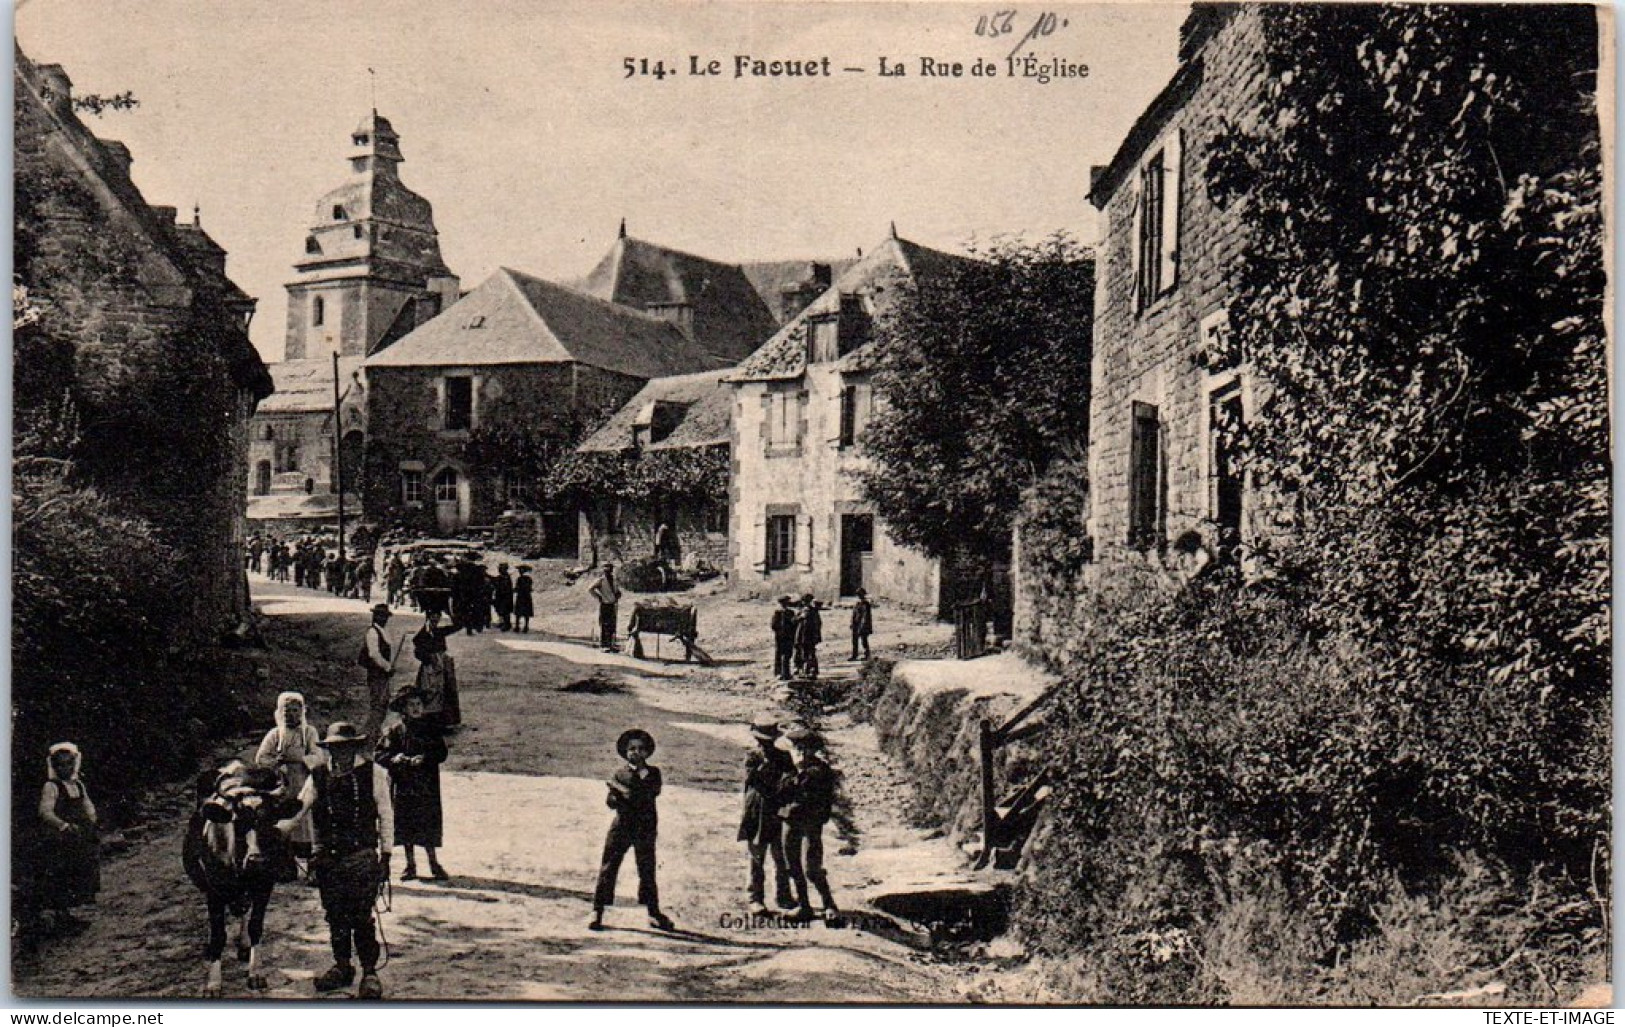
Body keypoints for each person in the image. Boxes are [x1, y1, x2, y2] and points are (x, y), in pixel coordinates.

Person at [279, 722, 392, 1000]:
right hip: (328, 860)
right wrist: (279, 831)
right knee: (336, 916)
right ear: (328, 750)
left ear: (354, 747)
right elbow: (300, 809)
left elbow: (386, 814)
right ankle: (342, 966)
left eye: (345, 748)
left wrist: (386, 854)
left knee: (362, 916)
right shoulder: (317, 776)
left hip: (361, 856)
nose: (340, 754)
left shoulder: (374, 774)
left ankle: (369, 972)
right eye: (334, 749)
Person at [589, 728, 673, 931]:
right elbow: (610, 802)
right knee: (609, 866)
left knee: (646, 869)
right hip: (622, 827)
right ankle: (597, 910)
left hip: (644, 827)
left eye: (641, 749)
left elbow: (651, 792)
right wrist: (614, 796)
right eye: (631, 749)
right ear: (625, 752)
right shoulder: (619, 774)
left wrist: (627, 792)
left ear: (647, 752)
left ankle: (653, 912)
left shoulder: (653, 774)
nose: (636, 752)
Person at [375, 689, 449, 882]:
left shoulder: (431, 729)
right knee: (406, 824)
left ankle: (433, 863)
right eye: (411, 705)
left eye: (419, 704)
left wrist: (425, 758)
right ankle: (410, 865)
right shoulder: (394, 731)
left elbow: (441, 753)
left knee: (428, 823)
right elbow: (379, 754)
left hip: (426, 785)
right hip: (403, 785)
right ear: (403, 710)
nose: (416, 709)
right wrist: (396, 758)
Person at [34, 742, 99, 931]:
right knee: (62, 875)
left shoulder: (78, 784)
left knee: (79, 873)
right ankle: (61, 916)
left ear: (74, 764)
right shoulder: (51, 786)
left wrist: (92, 820)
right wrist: (63, 825)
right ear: (54, 767)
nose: (65, 768)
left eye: (69, 764)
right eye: (60, 765)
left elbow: (87, 805)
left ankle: (69, 915)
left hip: (78, 837)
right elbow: (45, 812)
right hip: (61, 839)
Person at [254, 692, 324, 862]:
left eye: (294, 711)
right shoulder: (275, 734)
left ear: (301, 712)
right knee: (282, 816)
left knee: (304, 815)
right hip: (282, 782)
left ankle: (310, 861)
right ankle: (286, 862)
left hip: (302, 780)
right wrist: (275, 762)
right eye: (286, 711)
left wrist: (301, 759)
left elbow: (318, 757)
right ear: (280, 713)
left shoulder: (309, 733)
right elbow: (260, 758)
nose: (290, 715)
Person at [779, 725, 839, 921]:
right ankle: (804, 905)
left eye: (804, 747)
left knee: (811, 868)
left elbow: (820, 798)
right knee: (792, 865)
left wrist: (800, 771)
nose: (800, 751)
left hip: (810, 824)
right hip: (790, 821)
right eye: (797, 746)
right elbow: (781, 792)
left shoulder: (820, 771)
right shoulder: (789, 768)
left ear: (813, 749)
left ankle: (829, 904)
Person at [739, 714, 796, 915]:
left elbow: (790, 779)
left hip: (777, 809)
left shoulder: (783, 756)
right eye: (762, 741)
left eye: (769, 741)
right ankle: (755, 898)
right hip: (757, 809)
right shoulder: (752, 757)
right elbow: (752, 780)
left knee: (781, 856)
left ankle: (783, 896)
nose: (765, 744)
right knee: (757, 855)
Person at [412, 609, 462, 727]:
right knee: (430, 691)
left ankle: (444, 721)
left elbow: (457, 626)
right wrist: (429, 658)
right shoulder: (423, 633)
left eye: (438, 616)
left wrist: (450, 613)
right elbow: (417, 651)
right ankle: (430, 721)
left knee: (445, 691)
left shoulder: (439, 631)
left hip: (442, 665)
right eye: (433, 616)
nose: (436, 619)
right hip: (430, 667)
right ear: (428, 618)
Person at [359, 604, 397, 741]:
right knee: (378, 703)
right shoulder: (373, 632)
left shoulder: (382, 631)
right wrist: (387, 667)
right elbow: (374, 654)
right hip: (376, 674)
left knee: (383, 702)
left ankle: (374, 731)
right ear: (375, 616)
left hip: (382, 674)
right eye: (380, 615)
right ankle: (370, 733)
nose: (383, 618)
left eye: (385, 616)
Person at [590, 564, 622, 652]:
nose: (608, 572)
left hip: (613, 604)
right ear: (604, 572)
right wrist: (599, 597)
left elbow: (617, 590)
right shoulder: (601, 580)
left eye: (610, 570)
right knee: (604, 624)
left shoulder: (614, 580)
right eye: (606, 571)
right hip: (604, 604)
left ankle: (611, 644)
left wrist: (618, 594)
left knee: (612, 624)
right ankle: (604, 645)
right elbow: (590, 589)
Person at [793, 594, 822, 680]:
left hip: (809, 636)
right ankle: (802, 670)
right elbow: (794, 621)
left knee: (810, 654)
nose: (806, 603)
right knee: (801, 653)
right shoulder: (801, 611)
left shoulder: (813, 611)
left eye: (807, 601)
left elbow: (818, 624)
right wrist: (799, 617)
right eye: (805, 601)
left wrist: (817, 636)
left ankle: (812, 671)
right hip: (801, 636)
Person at [771, 596, 797, 682]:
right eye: (785, 602)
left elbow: (795, 624)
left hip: (789, 636)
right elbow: (773, 625)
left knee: (787, 654)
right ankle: (779, 673)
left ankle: (786, 673)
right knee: (780, 654)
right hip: (781, 637)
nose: (786, 604)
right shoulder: (778, 613)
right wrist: (780, 631)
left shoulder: (791, 612)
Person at [850, 588, 874, 661]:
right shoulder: (857, 604)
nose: (859, 596)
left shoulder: (865, 604)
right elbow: (854, 614)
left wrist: (863, 625)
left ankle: (867, 655)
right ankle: (854, 655)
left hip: (863, 625)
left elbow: (865, 616)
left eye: (860, 594)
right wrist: (852, 623)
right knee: (854, 641)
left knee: (864, 640)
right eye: (858, 595)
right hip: (856, 624)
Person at [492, 564, 514, 632]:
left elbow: (502, 586)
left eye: (501, 569)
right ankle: (503, 623)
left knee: (505, 611)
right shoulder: (502, 577)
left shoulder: (506, 577)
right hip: (500, 596)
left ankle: (507, 624)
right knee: (500, 610)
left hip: (505, 597)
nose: (499, 570)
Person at [513, 565, 535, 633]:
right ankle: (526, 626)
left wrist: (514, 590)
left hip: (521, 597)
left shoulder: (520, 579)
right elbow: (530, 588)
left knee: (518, 613)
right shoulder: (529, 579)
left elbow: (517, 588)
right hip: (527, 597)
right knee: (526, 613)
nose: (519, 571)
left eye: (520, 570)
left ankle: (517, 627)